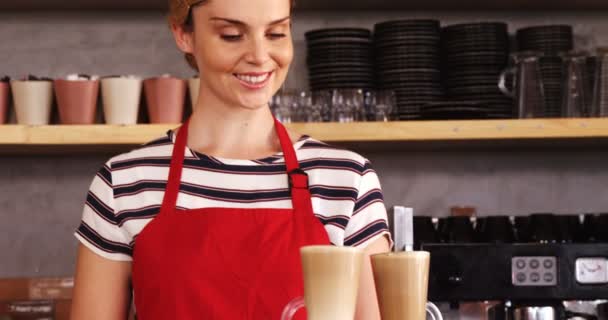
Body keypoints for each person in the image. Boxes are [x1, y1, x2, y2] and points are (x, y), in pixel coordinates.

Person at [70, 0, 392, 318]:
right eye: (232, 35)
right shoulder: (125, 181)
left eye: (276, 34)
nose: (259, 56)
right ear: (184, 35)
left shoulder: (347, 179)